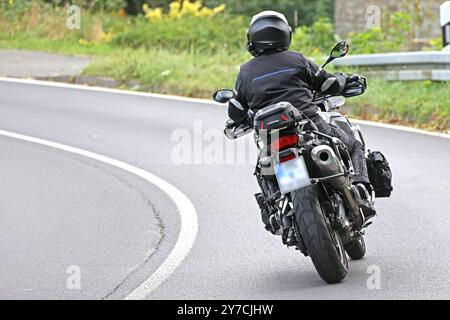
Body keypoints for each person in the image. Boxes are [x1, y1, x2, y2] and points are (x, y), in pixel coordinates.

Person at [227, 11, 375, 224]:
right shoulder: (297, 59)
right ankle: (361, 189)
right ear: (285, 34)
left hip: (272, 138)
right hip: (310, 124)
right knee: (352, 145)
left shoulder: (245, 73)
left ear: (252, 39)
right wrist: (344, 80)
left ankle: (278, 211)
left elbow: (237, 109)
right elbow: (327, 84)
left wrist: (236, 120)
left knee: (263, 168)